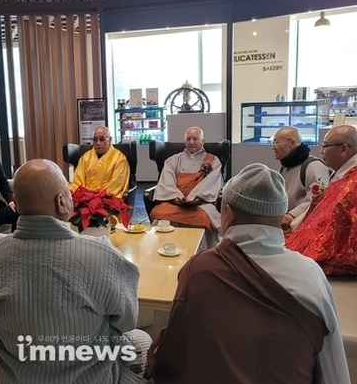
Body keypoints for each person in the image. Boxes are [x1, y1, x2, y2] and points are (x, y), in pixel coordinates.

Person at [148, 163, 350, 384]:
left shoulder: (200, 269)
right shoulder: (311, 275)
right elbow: (332, 364)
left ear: (228, 212)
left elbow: (172, 354)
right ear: (280, 215)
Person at [0, 159, 151, 384]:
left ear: (16, 204)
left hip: (12, 376)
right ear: (61, 202)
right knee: (142, 340)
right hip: (89, 376)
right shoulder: (101, 254)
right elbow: (127, 321)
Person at [286, 125, 357, 276]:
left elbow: (329, 228)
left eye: (325, 146)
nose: (321, 151)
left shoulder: (350, 186)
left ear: (344, 149)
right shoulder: (343, 177)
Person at [150, 127, 223, 247]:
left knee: (203, 219)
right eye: (188, 139)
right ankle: (162, 248)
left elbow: (211, 181)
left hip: (201, 203)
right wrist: (175, 196)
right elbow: (166, 181)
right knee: (159, 213)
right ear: (184, 141)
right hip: (175, 202)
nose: (191, 142)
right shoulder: (173, 160)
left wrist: (197, 197)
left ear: (203, 141)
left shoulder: (212, 160)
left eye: (195, 139)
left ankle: (200, 255)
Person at [272, 126, 330, 230]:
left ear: (292, 143)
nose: (273, 147)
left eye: (276, 143)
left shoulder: (313, 166)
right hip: (285, 227)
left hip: (304, 229)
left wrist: (291, 215)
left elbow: (319, 201)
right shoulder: (284, 166)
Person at [69, 126, 130, 199]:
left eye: (102, 139)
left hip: (107, 199)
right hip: (85, 198)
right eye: (95, 139)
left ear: (110, 140)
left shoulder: (120, 159)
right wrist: (87, 196)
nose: (98, 143)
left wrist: (96, 196)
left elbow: (116, 185)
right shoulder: (85, 158)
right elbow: (78, 182)